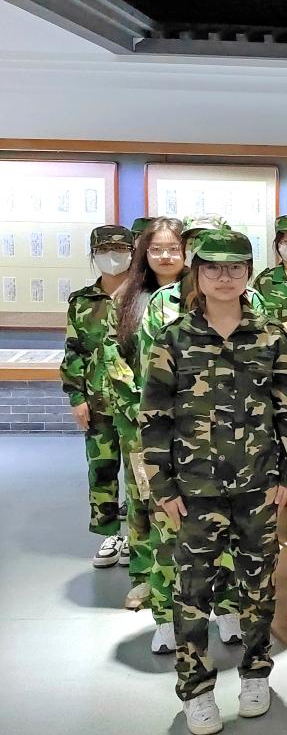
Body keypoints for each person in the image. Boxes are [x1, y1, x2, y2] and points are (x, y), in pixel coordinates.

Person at [140, 229, 287, 734]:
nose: (224, 277)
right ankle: (195, 690)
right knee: (192, 593)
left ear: (248, 273)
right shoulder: (174, 338)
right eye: (213, 267)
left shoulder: (272, 336)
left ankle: (256, 674)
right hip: (194, 490)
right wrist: (162, 487)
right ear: (197, 274)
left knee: (258, 587)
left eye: (235, 268)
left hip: (258, 485)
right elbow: (155, 416)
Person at [102, 217, 188, 611]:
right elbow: (112, 355)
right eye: (156, 249)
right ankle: (145, 577)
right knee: (142, 495)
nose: (165, 256)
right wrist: (140, 405)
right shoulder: (127, 297)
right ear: (144, 253)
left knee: (187, 500)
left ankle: (191, 579)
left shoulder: (197, 294)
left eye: (173, 248)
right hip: (138, 417)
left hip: (189, 418)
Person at [60, 224, 136, 569]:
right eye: (104, 250)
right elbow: (73, 351)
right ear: (94, 255)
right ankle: (110, 534)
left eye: (120, 250)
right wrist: (76, 397)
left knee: (139, 471)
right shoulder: (82, 302)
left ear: (132, 253)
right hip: (97, 401)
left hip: (135, 403)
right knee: (102, 469)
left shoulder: (143, 297)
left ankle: (137, 535)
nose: (112, 256)